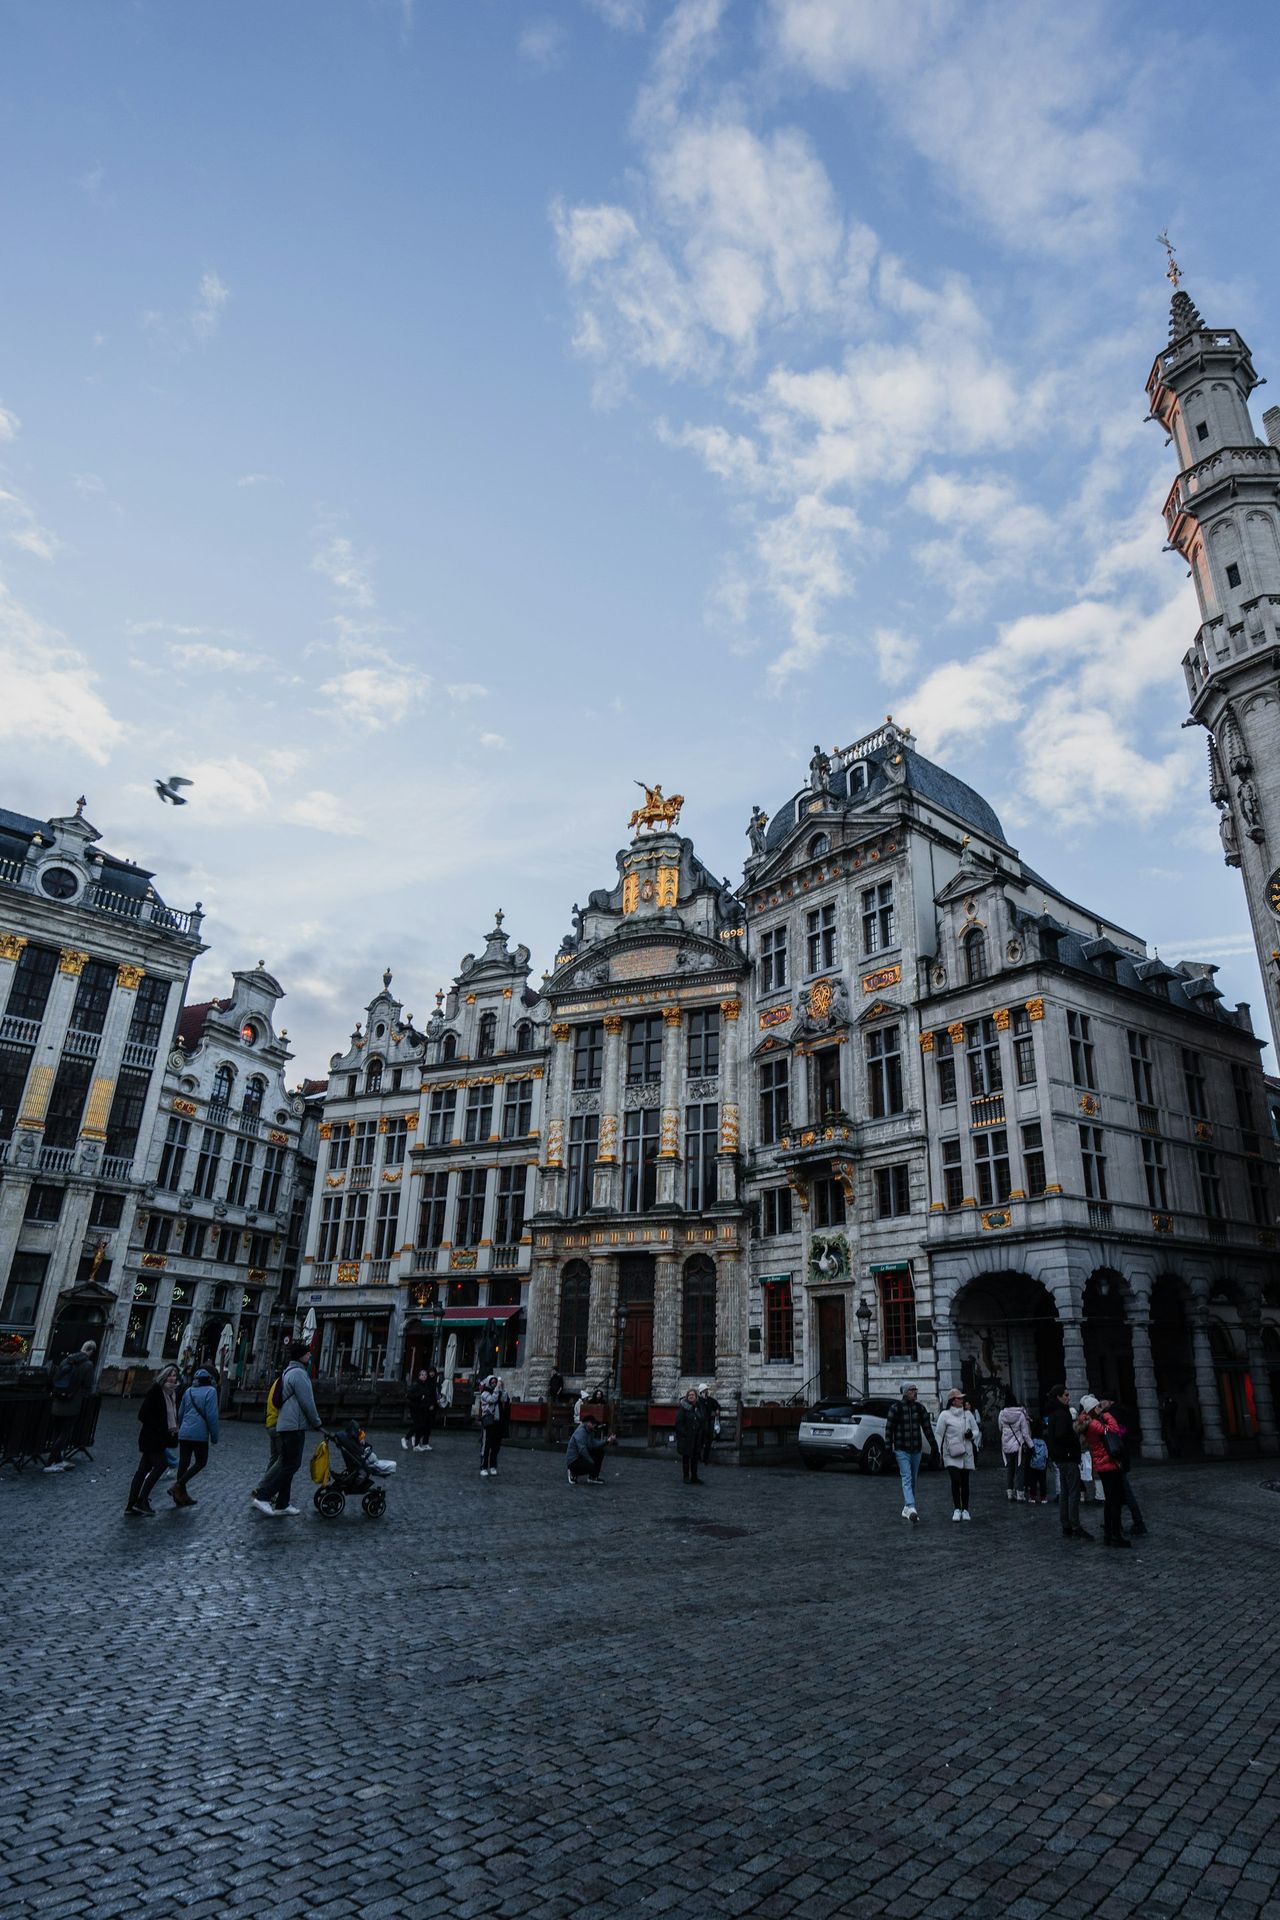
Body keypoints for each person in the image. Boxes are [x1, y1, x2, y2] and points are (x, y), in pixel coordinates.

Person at [251, 1342, 322, 1516]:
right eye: (308, 1353)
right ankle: (263, 1496)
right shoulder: (299, 1374)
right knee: (291, 1464)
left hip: (285, 1424)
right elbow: (307, 1401)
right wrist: (317, 1422)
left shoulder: (288, 1372)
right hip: (293, 1425)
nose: (310, 1356)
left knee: (286, 1463)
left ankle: (282, 1503)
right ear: (301, 1356)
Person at [125, 1365, 180, 1515]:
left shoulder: (172, 1394)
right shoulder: (156, 1391)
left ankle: (131, 1504)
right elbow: (143, 1414)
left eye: (175, 1375)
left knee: (143, 1470)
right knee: (161, 1465)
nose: (172, 1378)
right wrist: (159, 1428)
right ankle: (141, 1500)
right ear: (164, 1376)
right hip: (152, 1438)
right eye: (170, 1375)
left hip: (159, 1439)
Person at [1077, 1394, 1129, 1548]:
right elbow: (1114, 1429)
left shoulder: (1090, 1422)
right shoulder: (1094, 1424)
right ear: (1093, 1409)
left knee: (1110, 1501)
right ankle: (1115, 1535)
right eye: (1098, 1406)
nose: (1100, 1408)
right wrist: (1106, 1414)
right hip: (1108, 1464)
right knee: (1114, 1501)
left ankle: (1109, 1534)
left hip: (1103, 1464)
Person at [883, 1382, 939, 1523]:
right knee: (906, 1477)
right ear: (905, 1392)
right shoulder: (895, 1408)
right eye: (912, 1390)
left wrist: (934, 1447)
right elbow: (889, 1429)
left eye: (915, 1389)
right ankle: (911, 1506)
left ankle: (907, 1508)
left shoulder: (920, 1408)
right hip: (901, 1449)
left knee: (913, 1479)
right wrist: (888, 1448)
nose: (915, 1392)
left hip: (916, 1450)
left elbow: (927, 1428)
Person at [42, 1341, 97, 1472]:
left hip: (57, 1401)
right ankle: (50, 1462)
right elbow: (88, 1384)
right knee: (65, 1433)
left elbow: (56, 1377)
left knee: (57, 1432)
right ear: (91, 1351)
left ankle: (58, 1460)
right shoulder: (88, 1364)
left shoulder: (66, 1360)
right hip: (72, 1403)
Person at [1046, 1385, 1091, 1542]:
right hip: (1068, 1457)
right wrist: (1074, 1437)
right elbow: (1061, 1435)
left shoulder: (1054, 1413)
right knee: (1073, 1493)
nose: (1068, 1397)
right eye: (1065, 1395)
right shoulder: (1061, 1413)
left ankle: (1066, 1525)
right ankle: (1075, 1525)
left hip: (1061, 1457)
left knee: (1065, 1493)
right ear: (1058, 1397)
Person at [170, 1367, 220, 1507]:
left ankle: (181, 1497)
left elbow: (181, 1413)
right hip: (199, 1434)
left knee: (183, 1464)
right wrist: (214, 1436)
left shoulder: (189, 1391)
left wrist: (181, 1428)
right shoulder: (211, 1391)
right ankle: (178, 1486)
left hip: (184, 1433)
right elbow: (212, 1416)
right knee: (201, 1461)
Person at [934, 1389, 980, 1520]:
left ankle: (965, 1509)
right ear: (953, 1401)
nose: (962, 1400)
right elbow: (939, 1434)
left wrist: (971, 1435)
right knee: (955, 1480)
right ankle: (956, 1509)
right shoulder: (944, 1415)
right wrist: (937, 1451)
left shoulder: (968, 1414)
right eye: (959, 1398)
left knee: (965, 1481)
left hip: (966, 1452)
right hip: (951, 1453)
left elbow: (976, 1430)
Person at [998, 1393, 1033, 1502]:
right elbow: (1025, 1433)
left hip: (1006, 1445)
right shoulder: (1020, 1414)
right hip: (1018, 1446)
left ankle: (1010, 1493)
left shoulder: (1002, 1414)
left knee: (1010, 1469)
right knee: (1020, 1470)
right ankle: (1020, 1494)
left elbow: (1000, 1428)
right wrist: (1031, 1445)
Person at [566, 1414, 613, 1485]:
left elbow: (593, 1443)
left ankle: (593, 1477)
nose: (595, 1425)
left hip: (580, 1456)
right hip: (574, 1460)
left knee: (599, 1451)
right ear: (588, 1423)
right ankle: (573, 1472)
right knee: (590, 1465)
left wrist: (607, 1441)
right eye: (593, 1424)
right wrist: (591, 1461)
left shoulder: (588, 1430)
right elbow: (582, 1449)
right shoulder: (581, 1432)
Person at [404, 1367, 438, 1453]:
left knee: (422, 1425)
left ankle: (416, 1444)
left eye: (425, 1375)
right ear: (419, 1376)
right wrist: (420, 1397)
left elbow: (429, 1395)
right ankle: (407, 1439)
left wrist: (430, 1403)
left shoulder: (425, 1384)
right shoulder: (417, 1384)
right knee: (419, 1425)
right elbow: (409, 1395)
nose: (424, 1376)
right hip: (416, 1407)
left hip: (423, 1407)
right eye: (422, 1375)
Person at [478, 1373, 506, 1477]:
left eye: (495, 1382)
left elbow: (504, 1399)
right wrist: (497, 1389)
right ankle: (483, 1466)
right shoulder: (485, 1393)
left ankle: (493, 1466)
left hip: (498, 1422)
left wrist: (502, 1388)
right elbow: (492, 1399)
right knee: (486, 1445)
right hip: (489, 1422)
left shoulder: (498, 1391)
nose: (494, 1384)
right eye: (492, 1382)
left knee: (496, 1445)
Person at [675, 1387, 704, 1485]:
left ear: (696, 1396)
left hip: (696, 1437)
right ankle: (686, 1476)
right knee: (686, 1457)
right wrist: (686, 1433)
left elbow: (701, 1419)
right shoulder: (683, 1408)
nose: (691, 1396)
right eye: (689, 1395)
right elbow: (679, 1423)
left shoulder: (698, 1407)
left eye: (693, 1395)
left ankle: (694, 1477)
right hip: (686, 1438)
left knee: (695, 1458)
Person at [696, 1383, 721, 1466]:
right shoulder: (698, 1401)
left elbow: (717, 1405)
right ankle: (698, 1457)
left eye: (706, 1390)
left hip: (708, 1423)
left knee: (708, 1441)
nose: (706, 1392)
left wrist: (717, 1409)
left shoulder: (710, 1400)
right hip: (700, 1424)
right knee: (699, 1441)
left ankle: (705, 1458)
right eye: (704, 1390)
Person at [1026, 1431, 1049, 1505]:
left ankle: (1032, 1497)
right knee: (1043, 1481)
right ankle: (1043, 1497)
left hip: (1033, 1465)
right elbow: (1046, 1454)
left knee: (1033, 1481)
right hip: (1042, 1465)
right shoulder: (1044, 1443)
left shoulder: (1032, 1441)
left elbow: (1029, 1452)